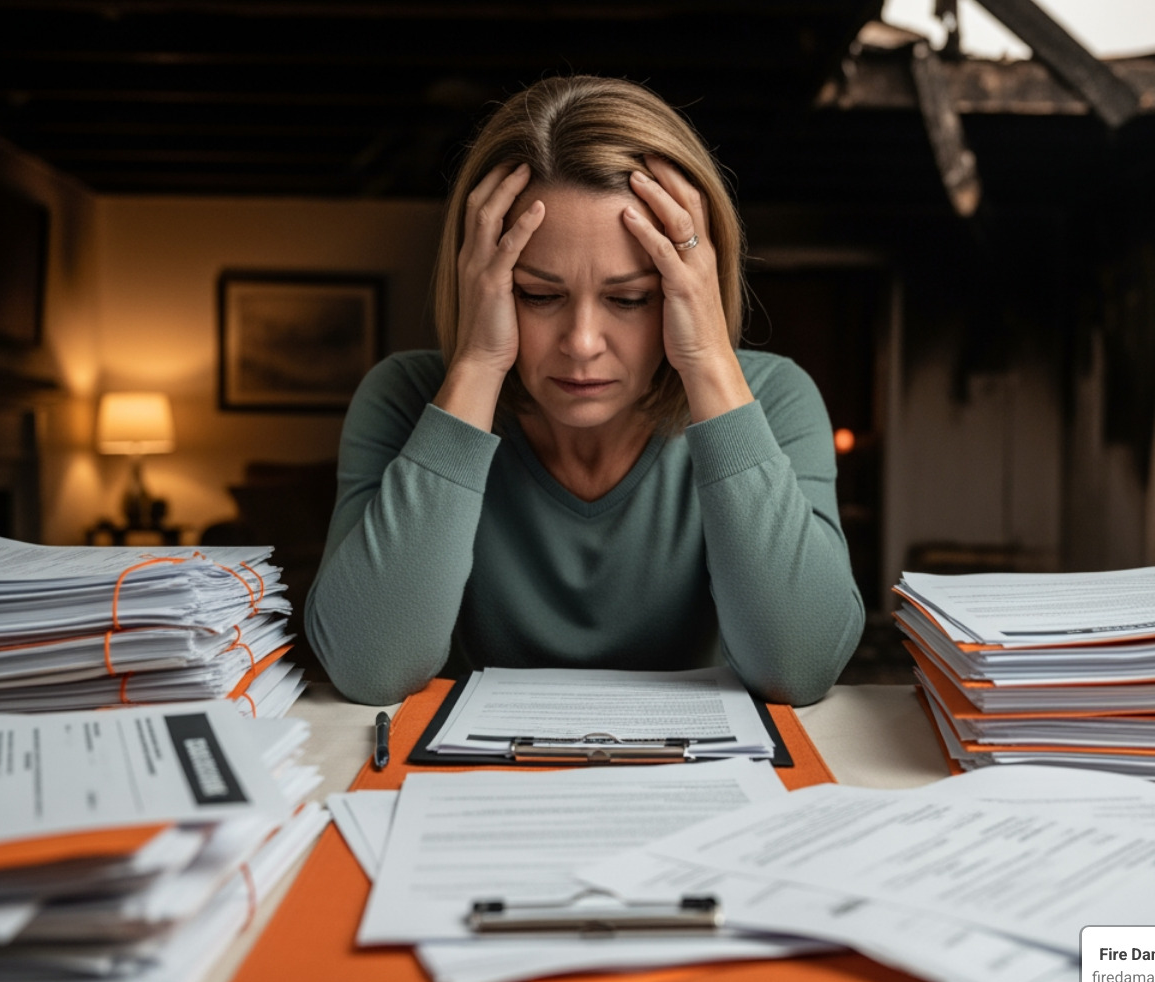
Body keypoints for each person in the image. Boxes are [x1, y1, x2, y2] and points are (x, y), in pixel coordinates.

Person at [306, 75, 864, 707]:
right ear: (481, 282)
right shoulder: (406, 399)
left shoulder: (774, 398)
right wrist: (478, 363)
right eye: (539, 295)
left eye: (630, 299)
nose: (583, 342)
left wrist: (708, 362)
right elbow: (369, 667)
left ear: (692, 291)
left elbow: (801, 665)